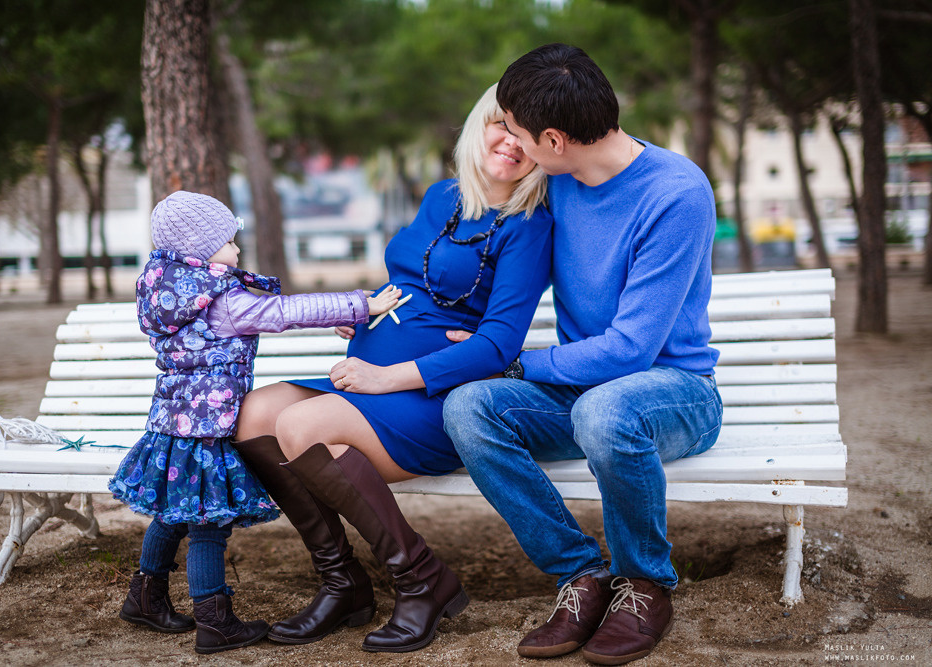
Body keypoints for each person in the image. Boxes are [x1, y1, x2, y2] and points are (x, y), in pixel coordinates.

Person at [231, 83, 553, 653]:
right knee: (254, 415)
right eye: (502, 122)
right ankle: (343, 583)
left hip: (432, 397)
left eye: (526, 133)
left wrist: (387, 376)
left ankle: (421, 578)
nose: (510, 140)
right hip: (369, 376)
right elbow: (413, 278)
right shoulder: (442, 195)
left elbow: (499, 345)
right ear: (480, 123)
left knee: (301, 429)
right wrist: (368, 312)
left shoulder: (529, 225)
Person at [441, 44, 724, 666]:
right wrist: (390, 322)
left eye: (515, 130)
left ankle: (644, 584)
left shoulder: (676, 192)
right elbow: (489, 270)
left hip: (672, 390)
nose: (508, 143)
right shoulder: (554, 183)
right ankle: (583, 574)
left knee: (607, 412)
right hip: (586, 386)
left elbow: (630, 350)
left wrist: (516, 364)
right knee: (470, 409)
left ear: (553, 138)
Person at [108, 190, 400, 655]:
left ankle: (145, 596)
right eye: (228, 241)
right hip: (206, 430)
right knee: (207, 520)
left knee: (173, 511)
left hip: (172, 423)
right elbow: (284, 313)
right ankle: (215, 621)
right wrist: (360, 305)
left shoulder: (166, 289)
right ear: (199, 252)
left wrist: (341, 317)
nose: (237, 249)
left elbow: (272, 310)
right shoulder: (219, 300)